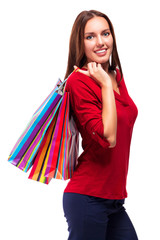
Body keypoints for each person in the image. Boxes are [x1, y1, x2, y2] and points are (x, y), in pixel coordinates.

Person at [62, 10, 139, 240]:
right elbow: (109, 137)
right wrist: (105, 85)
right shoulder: (79, 81)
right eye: (90, 36)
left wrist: (109, 79)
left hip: (114, 199)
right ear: (80, 43)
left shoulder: (116, 75)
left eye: (105, 33)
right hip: (88, 197)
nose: (100, 42)